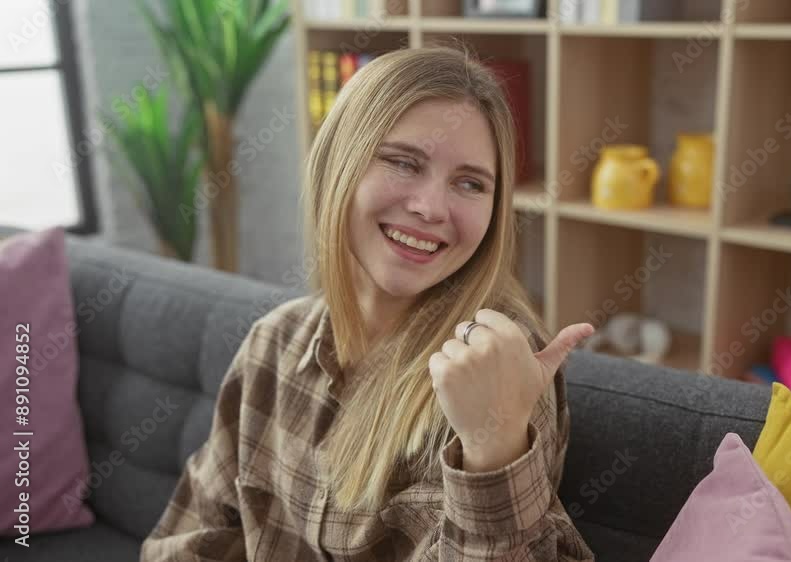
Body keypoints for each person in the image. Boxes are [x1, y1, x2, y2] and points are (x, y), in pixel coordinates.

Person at [140, 45, 597, 561]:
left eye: (470, 183)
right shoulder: (273, 341)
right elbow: (191, 539)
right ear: (339, 161)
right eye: (404, 163)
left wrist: (495, 451)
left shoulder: (497, 366)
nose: (429, 207)